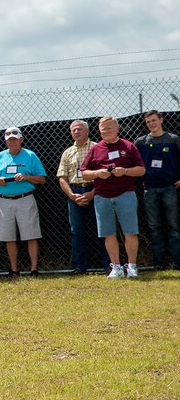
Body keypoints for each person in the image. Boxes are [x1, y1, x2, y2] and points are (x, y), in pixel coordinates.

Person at [80, 115, 146, 278]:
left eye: (109, 128)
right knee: (108, 233)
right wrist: (97, 173)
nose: (106, 131)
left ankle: (132, 267)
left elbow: (141, 169)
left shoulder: (128, 146)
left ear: (117, 128)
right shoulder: (95, 149)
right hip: (102, 197)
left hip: (126, 194)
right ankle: (116, 268)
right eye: (103, 129)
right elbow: (84, 173)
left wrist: (125, 171)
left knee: (130, 231)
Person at [0, 127, 47, 277]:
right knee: (9, 236)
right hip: (4, 201)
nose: (12, 142)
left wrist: (26, 177)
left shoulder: (31, 155)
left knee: (31, 235)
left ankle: (34, 269)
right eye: (9, 139)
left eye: (15, 139)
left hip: (25, 199)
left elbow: (42, 179)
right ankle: (14, 270)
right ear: (5, 141)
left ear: (21, 139)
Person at [56, 120, 109, 274]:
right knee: (76, 231)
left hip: (96, 191)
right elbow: (62, 177)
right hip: (75, 193)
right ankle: (80, 267)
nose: (77, 132)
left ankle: (108, 264)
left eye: (79, 129)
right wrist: (72, 196)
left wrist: (92, 193)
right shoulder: (67, 152)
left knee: (102, 228)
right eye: (74, 130)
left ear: (87, 131)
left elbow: (104, 173)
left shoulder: (97, 148)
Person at [134, 110, 180, 270]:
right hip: (149, 190)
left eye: (154, 120)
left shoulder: (173, 139)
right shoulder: (141, 142)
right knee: (154, 227)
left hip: (169, 188)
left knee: (173, 226)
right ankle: (158, 263)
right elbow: (134, 164)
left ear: (161, 120)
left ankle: (176, 262)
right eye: (148, 122)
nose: (151, 124)